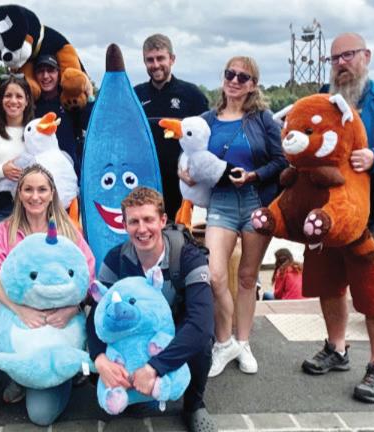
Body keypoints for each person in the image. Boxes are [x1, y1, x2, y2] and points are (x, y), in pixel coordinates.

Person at [300, 33, 374, 403]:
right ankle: (336, 348)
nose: (340, 63)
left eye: (348, 55)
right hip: (327, 220)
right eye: (334, 58)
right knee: (328, 286)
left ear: (366, 56)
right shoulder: (320, 102)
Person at [0, 164, 95, 426]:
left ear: (52, 193)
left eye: (42, 189)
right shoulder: (5, 230)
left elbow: (87, 277)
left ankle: (64, 374)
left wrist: (71, 309)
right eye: (28, 189)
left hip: (59, 325)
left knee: (41, 415)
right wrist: (18, 309)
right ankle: (20, 376)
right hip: (16, 319)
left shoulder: (69, 231)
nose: (35, 196)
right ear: (19, 194)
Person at [86, 187, 216, 432]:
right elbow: (96, 314)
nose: (142, 229)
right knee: (99, 369)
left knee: (202, 343)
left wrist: (154, 367)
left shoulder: (188, 256)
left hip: (176, 330)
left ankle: (193, 404)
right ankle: (136, 391)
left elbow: (202, 323)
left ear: (163, 220)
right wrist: (100, 359)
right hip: (137, 334)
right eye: (134, 221)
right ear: (124, 225)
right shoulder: (116, 259)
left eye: (148, 219)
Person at [196, 56, 287, 378]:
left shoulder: (263, 120)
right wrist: (187, 172)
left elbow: (281, 160)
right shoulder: (207, 120)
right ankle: (224, 343)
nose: (234, 80)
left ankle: (243, 342)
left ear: (253, 85)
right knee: (215, 276)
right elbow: (192, 154)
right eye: (230, 74)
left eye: (243, 77)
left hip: (255, 201)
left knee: (248, 277)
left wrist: (254, 175)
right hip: (220, 201)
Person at [134, 34, 209, 220]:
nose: (155, 65)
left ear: (172, 59)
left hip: (181, 182)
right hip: (145, 180)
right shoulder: (135, 95)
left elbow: (206, 138)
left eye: (160, 58)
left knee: (178, 232)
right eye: (150, 60)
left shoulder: (192, 95)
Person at [0, 76, 35, 221]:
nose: (13, 101)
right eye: (8, 95)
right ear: (0, 100)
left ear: (27, 101)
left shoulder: (36, 131)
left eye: (19, 96)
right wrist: (1, 171)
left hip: (31, 205)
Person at [33, 54, 92, 177]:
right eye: (41, 71)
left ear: (59, 73)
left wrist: (88, 94)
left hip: (69, 173)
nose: (45, 76)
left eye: (50, 71)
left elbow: (90, 122)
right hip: (38, 174)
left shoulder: (71, 100)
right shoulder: (30, 103)